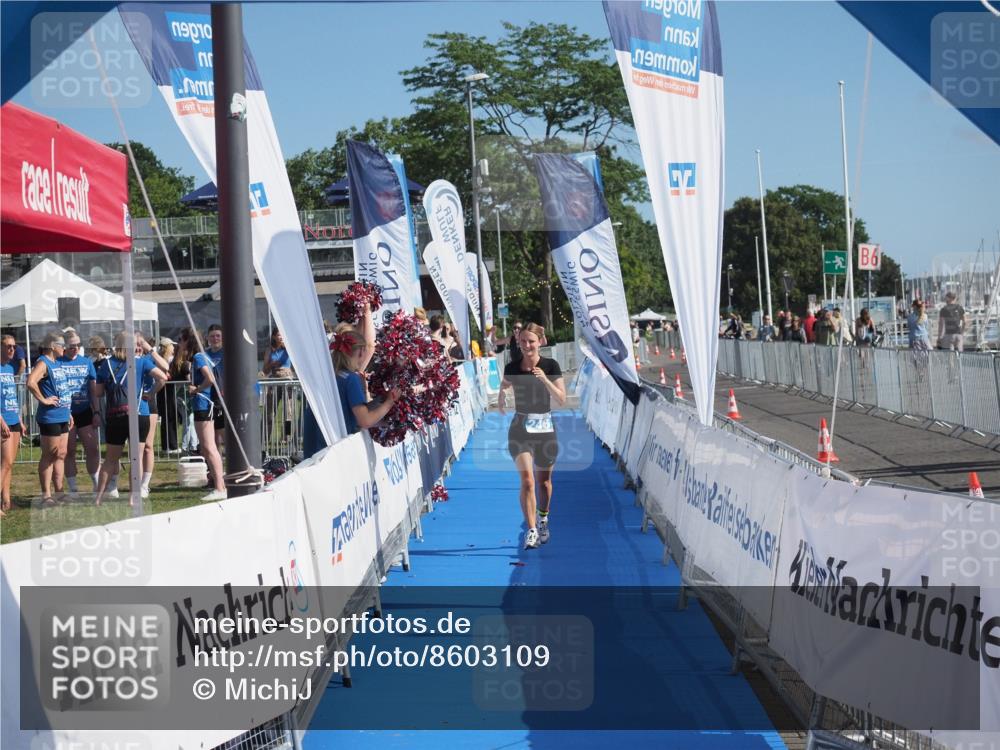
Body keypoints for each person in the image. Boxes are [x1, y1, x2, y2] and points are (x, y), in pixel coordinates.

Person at [497, 323, 566, 550]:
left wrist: (545, 379)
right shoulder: (512, 367)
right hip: (520, 428)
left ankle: (543, 518)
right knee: (527, 481)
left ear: (540, 342)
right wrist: (501, 396)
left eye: (531, 341)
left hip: (545, 428)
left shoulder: (550, 365)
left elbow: (562, 399)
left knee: (543, 483)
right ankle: (532, 529)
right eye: (524, 341)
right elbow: (505, 384)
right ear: (519, 342)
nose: (527, 345)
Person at [93, 333, 167, 506]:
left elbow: (98, 392)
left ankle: (98, 497)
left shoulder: (106, 364)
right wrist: (150, 393)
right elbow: (163, 376)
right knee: (137, 458)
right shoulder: (141, 362)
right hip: (138, 415)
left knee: (110, 459)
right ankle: (134, 497)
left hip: (114, 415)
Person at [330, 303, 401, 435]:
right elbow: (365, 421)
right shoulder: (351, 379)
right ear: (362, 352)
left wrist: (385, 422)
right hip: (334, 446)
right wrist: (389, 402)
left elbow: (354, 418)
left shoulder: (335, 374)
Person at [26, 332, 72, 507]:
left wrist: (69, 412)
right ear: (52, 346)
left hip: (62, 415)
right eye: (61, 344)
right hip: (50, 417)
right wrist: (43, 399)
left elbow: (61, 389)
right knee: (49, 455)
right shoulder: (43, 362)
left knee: (60, 454)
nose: (64, 347)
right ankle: (46, 495)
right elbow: (31, 382)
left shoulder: (56, 363)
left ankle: (59, 492)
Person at [59, 332, 101, 496]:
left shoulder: (86, 363)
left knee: (92, 448)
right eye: (71, 345)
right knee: (69, 451)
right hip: (65, 412)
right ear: (64, 346)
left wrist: (96, 411)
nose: (75, 348)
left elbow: (93, 389)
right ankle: (73, 488)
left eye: (77, 345)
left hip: (85, 411)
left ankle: (97, 484)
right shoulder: (58, 362)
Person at [190, 327, 227, 501]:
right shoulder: (203, 356)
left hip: (205, 403)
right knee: (209, 446)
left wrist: (196, 389)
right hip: (209, 404)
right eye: (211, 336)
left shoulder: (198, 357)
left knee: (209, 446)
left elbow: (210, 379)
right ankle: (218, 482)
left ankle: (220, 487)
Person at [138, 333, 170, 499]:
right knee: (137, 447)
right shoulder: (128, 358)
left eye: (139, 343)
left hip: (148, 405)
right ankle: (135, 482)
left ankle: (145, 484)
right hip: (130, 405)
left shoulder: (149, 358)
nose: (137, 346)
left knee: (148, 446)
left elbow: (165, 369)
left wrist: (151, 393)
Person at [1, 335, 26, 516]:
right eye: (8, 346)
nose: (12, 349)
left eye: (14, 346)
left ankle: (6, 501)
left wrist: (20, 419)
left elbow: (11, 396)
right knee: (5, 462)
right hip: (3, 421)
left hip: (14, 418)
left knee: (10, 464)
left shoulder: (10, 368)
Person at [155, 337, 179, 454]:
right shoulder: (163, 360)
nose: (174, 347)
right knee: (168, 417)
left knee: (170, 417)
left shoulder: (164, 359)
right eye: (172, 345)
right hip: (164, 390)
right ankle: (170, 446)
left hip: (167, 390)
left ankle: (170, 445)